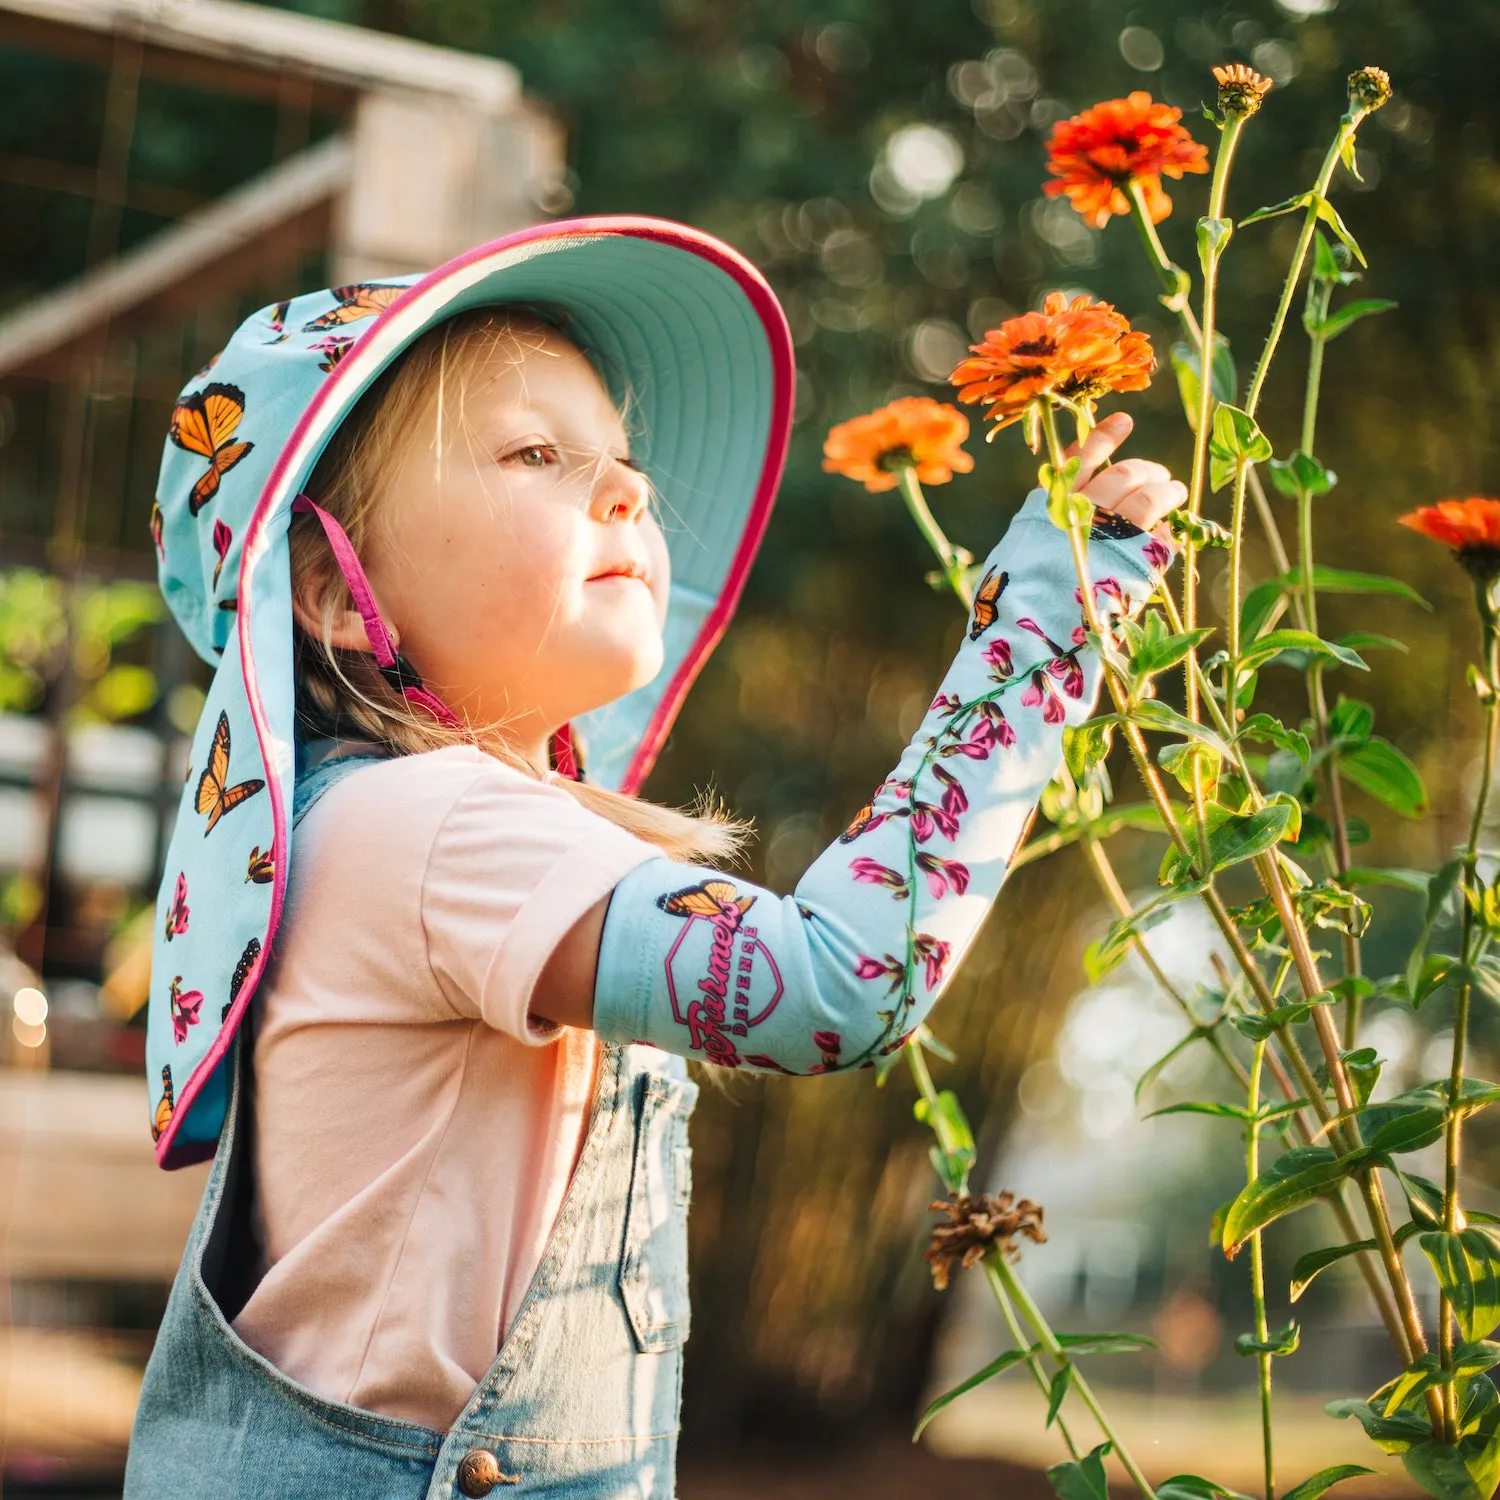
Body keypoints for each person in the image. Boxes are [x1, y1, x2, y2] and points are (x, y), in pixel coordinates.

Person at [125, 216, 1183, 1499]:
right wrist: (1046, 632)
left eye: (622, 461)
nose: (626, 488)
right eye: (536, 456)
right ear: (346, 594)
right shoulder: (431, 827)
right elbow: (840, 981)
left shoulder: (396, 826)